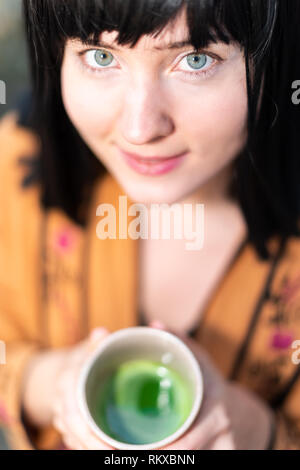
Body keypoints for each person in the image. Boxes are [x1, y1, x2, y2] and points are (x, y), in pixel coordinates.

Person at [0, 0, 300, 450]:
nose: (141, 129)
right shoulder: (14, 167)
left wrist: (261, 433)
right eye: (101, 56)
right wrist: (48, 384)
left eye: (196, 60)